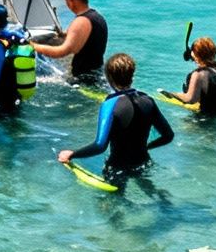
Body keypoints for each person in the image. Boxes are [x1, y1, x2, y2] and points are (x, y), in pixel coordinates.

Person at [57, 53, 172, 182]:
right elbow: (168, 135)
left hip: (118, 167)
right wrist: (147, 147)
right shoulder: (148, 100)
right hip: (143, 163)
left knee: (112, 200)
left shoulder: (110, 105)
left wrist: (72, 154)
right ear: (132, 76)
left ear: (109, 77)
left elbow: (100, 146)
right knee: (148, 189)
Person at [31, 0, 109, 86]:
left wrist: (34, 46)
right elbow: (86, 37)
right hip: (97, 71)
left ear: (72, 1)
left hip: (82, 78)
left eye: (66, 1)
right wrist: (63, 34)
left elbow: (61, 52)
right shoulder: (97, 17)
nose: (66, 4)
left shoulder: (80, 21)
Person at [165, 36, 216, 118]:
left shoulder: (198, 74)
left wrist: (173, 94)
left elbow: (191, 99)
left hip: (202, 120)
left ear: (196, 55)